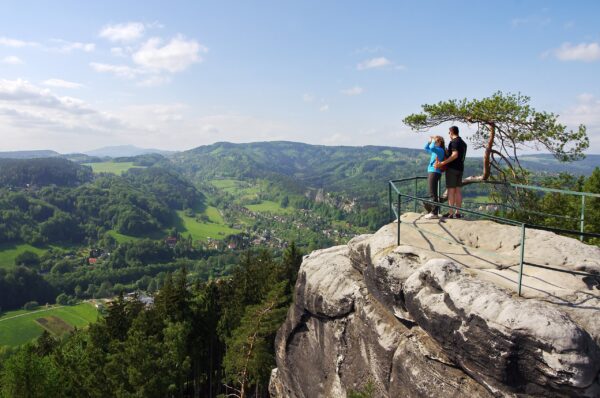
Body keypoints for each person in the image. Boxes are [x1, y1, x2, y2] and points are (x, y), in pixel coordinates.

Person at [436, 126, 467, 218]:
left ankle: (450, 213)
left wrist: (442, 163)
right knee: (458, 191)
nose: (448, 135)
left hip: (452, 169)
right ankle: (458, 213)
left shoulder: (454, 142)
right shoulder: (463, 143)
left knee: (451, 191)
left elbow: (455, 155)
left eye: (449, 133)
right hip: (460, 168)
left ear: (451, 132)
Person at [423, 135, 445, 219]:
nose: (435, 143)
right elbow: (426, 148)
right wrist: (430, 141)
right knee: (432, 192)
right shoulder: (436, 150)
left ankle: (434, 213)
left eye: (436, 141)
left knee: (433, 193)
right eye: (435, 141)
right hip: (433, 171)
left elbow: (431, 147)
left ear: (440, 142)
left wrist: (432, 141)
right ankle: (434, 212)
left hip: (435, 172)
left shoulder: (440, 150)